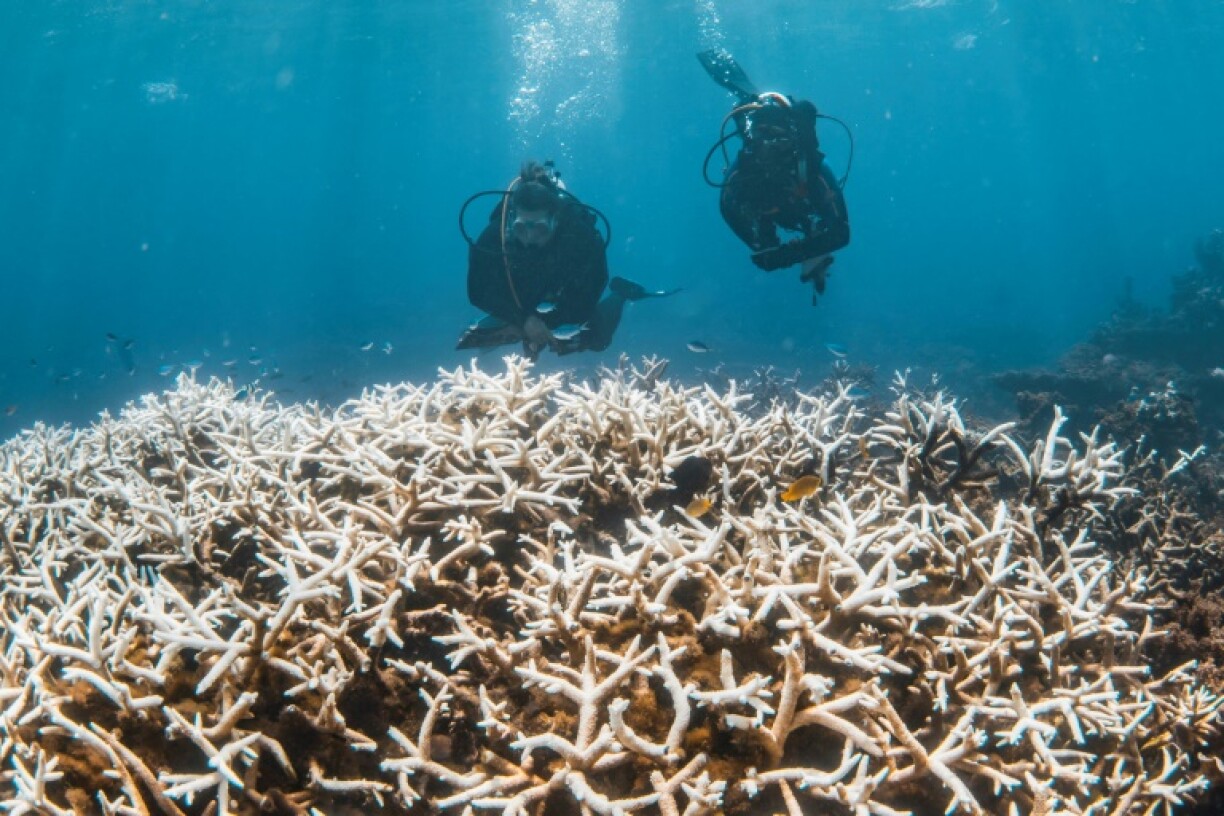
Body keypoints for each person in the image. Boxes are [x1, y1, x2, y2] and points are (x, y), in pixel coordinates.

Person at [457, 160, 675, 358]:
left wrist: (554, 323)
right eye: (521, 228)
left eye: (540, 229)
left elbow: (595, 284)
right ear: (512, 219)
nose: (529, 238)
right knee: (477, 334)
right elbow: (477, 291)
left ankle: (620, 294)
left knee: (598, 340)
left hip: (564, 297)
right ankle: (522, 328)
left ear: (555, 220)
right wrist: (524, 320)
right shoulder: (496, 235)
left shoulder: (579, 235)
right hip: (518, 297)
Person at [699, 49, 851, 303]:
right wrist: (763, 247)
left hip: (798, 207)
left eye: (777, 139)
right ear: (753, 139)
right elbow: (729, 208)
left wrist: (785, 255)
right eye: (764, 137)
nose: (770, 147)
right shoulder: (743, 173)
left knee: (813, 227)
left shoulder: (811, 168)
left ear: (793, 140)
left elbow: (841, 232)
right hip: (770, 210)